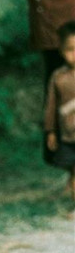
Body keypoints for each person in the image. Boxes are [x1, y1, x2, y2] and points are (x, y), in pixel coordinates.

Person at [44, 21, 75, 200]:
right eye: (70, 49)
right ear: (62, 51)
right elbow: (51, 106)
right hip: (67, 134)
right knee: (70, 166)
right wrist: (51, 131)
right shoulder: (58, 77)